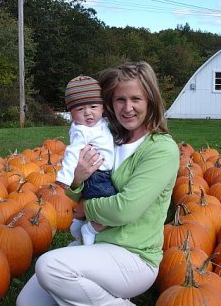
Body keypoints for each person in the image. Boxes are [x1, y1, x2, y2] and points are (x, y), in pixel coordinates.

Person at [16, 61, 179, 306]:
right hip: (94, 245)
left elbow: (126, 209)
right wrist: (78, 179)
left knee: (49, 267)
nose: (128, 108)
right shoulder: (111, 137)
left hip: (133, 256)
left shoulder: (161, 149)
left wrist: (86, 209)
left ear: (151, 100)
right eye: (119, 100)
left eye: (136, 99)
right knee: (28, 302)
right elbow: (76, 193)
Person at [55, 75, 116, 245]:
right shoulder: (81, 130)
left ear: (102, 107)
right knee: (111, 209)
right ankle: (90, 229)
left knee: (95, 204)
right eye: (80, 109)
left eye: (94, 106)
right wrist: (65, 177)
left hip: (102, 173)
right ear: (71, 113)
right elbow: (72, 152)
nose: (88, 113)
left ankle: (78, 222)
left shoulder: (101, 122)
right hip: (97, 175)